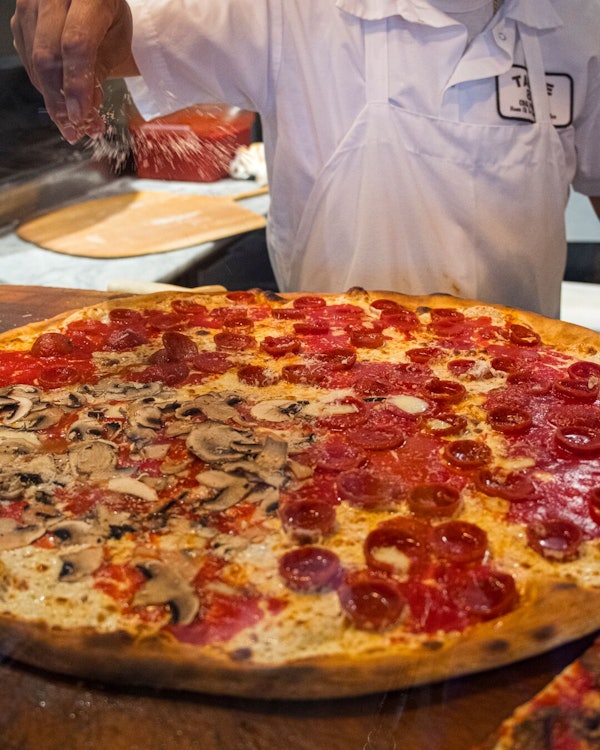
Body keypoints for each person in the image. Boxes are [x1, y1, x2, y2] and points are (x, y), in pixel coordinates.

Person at [11, 0, 600, 317]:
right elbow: (116, 37)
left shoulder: (582, 23)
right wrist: (74, 18)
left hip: (526, 393)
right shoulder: (286, 10)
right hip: (319, 381)